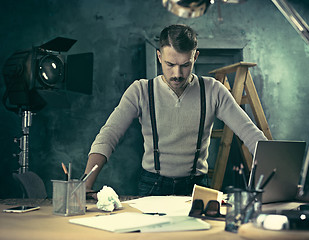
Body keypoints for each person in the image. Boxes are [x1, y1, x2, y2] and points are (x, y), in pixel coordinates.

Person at [84, 24, 268, 196]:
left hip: (197, 187)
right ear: (159, 57)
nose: (177, 74)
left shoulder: (213, 90)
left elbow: (251, 134)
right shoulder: (140, 91)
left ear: (195, 57)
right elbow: (109, 135)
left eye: (185, 65)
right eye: (170, 64)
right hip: (152, 186)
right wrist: (86, 185)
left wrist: (280, 183)